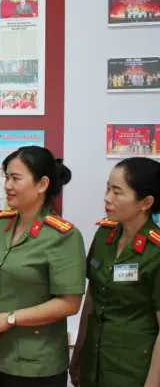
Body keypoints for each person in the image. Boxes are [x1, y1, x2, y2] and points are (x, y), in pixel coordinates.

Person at [0, 146, 86, 387]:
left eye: (16, 178)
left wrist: (10, 319)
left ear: (42, 184)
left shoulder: (63, 236)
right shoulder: (2, 225)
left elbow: (69, 303)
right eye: (6, 177)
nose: (7, 185)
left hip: (36, 364)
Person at [70, 157, 160, 387]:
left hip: (132, 369)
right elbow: (92, 297)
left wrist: (153, 383)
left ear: (145, 202)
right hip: (94, 363)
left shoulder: (156, 251)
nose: (107, 198)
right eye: (108, 188)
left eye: (117, 192)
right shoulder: (104, 235)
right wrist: (78, 351)